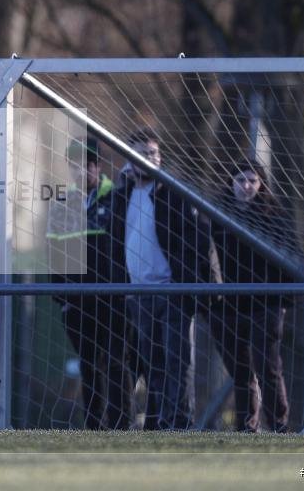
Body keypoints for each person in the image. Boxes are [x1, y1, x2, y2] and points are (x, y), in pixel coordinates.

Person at [105, 127, 211, 430]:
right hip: (138, 293)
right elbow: (114, 243)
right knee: (151, 362)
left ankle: (178, 421)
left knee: (178, 360)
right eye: (141, 153)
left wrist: (187, 282)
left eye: (153, 153)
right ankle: (156, 421)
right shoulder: (121, 195)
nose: (149, 159)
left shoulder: (174, 194)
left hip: (171, 290)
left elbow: (195, 241)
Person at [47, 137, 131, 430]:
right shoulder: (61, 204)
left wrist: (123, 291)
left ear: (98, 167)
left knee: (117, 363)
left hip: (114, 298)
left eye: (87, 166)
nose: (81, 173)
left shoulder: (119, 199)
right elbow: (53, 254)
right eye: (75, 167)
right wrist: (64, 297)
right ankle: (94, 424)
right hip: (78, 301)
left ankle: (122, 422)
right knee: (88, 363)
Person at [210, 159, 290, 433]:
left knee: (267, 367)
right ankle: (246, 427)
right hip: (228, 305)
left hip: (265, 304)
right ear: (230, 182)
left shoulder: (274, 217)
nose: (246, 186)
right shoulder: (217, 214)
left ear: (262, 183)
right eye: (241, 179)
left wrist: (282, 302)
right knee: (240, 372)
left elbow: (288, 259)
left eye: (253, 180)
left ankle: (278, 425)